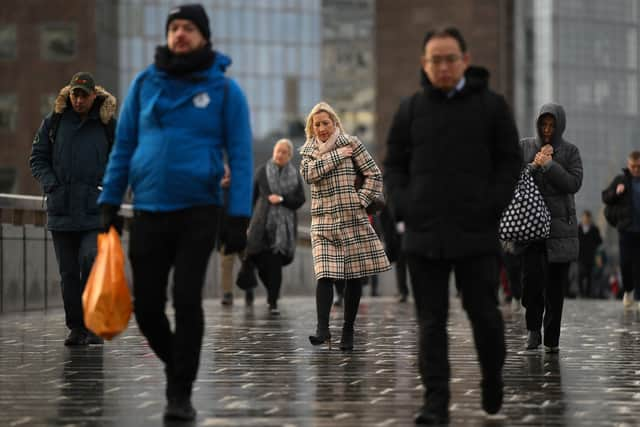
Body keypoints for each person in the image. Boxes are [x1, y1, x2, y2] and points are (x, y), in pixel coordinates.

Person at [97, 4, 253, 421]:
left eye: (188, 28)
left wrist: (238, 218)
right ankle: (179, 365)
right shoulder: (145, 84)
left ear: (203, 36)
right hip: (148, 208)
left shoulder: (224, 91)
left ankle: (179, 394)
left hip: (199, 209)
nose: (179, 34)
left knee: (186, 299)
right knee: (146, 306)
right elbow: (124, 146)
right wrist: (109, 201)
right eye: (174, 28)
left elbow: (240, 155)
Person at [383, 27, 521, 423]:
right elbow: (393, 164)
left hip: (476, 232)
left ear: (464, 59)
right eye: (434, 60)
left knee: (485, 314)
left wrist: (492, 205)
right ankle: (435, 402)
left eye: (449, 58)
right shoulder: (410, 110)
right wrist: (403, 204)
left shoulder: (493, 107)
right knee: (431, 322)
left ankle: (492, 377)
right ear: (424, 64)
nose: (442, 66)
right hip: (423, 234)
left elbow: (509, 162)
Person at [30, 71, 116, 346]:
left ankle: (92, 325)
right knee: (68, 273)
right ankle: (76, 328)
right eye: (74, 95)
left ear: (94, 95)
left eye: (83, 95)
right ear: (69, 95)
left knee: (90, 262)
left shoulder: (106, 125)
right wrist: (51, 184)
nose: (78, 100)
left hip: (94, 210)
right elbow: (37, 158)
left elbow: (122, 160)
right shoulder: (53, 123)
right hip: (61, 210)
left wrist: (107, 187)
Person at [301, 101, 390, 352]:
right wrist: (336, 156)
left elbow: (374, 175)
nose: (321, 128)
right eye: (316, 124)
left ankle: (348, 330)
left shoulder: (352, 143)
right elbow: (309, 175)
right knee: (325, 274)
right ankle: (322, 329)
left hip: (352, 220)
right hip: (322, 223)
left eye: (325, 123)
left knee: (353, 277)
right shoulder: (308, 151)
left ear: (335, 123)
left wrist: (360, 201)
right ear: (312, 127)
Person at [520, 103, 583, 354]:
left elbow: (574, 183)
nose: (547, 130)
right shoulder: (525, 147)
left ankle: (552, 339)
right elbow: (515, 178)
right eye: (544, 125)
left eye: (552, 126)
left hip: (560, 229)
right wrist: (534, 166)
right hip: (531, 226)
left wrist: (550, 165)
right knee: (531, 282)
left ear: (559, 127)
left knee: (555, 288)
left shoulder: (570, 151)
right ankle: (533, 329)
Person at [245, 138, 305, 315]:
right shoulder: (262, 172)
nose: (280, 154)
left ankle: (273, 301)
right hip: (261, 225)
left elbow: (300, 200)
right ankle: (269, 292)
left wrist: (283, 200)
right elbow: (252, 199)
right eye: (278, 151)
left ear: (289, 156)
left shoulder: (295, 176)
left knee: (275, 264)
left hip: (283, 230)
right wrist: (246, 223)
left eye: (284, 152)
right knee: (260, 262)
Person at [602, 150, 640, 309]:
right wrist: (616, 193)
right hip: (625, 229)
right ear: (628, 165)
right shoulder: (621, 180)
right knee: (625, 264)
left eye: (639, 167)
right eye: (633, 166)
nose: (636, 170)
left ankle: (638, 298)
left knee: (639, 265)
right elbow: (605, 197)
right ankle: (629, 290)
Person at [577, 210, 602, 298]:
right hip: (580, 255)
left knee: (589, 275)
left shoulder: (594, 229)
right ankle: (581, 292)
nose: (586, 219)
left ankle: (587, 293)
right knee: (580, 274)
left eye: (587, 217)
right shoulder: (578, 228)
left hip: (591, 255)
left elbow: (599, 241)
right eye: (584, 217)